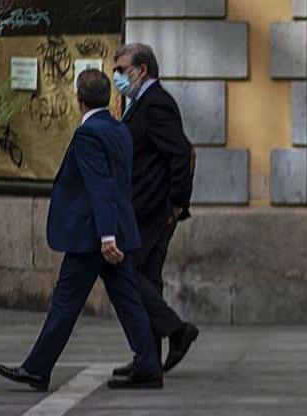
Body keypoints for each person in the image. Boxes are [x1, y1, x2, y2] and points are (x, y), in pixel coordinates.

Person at [0, 69, 164, 391]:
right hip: (115, 231)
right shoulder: (119, 129)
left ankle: (37, 368)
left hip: (93, 238)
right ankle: (148, 364)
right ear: (110, 97)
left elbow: (100, 186)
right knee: (129, 301)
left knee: (66, 302)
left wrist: (106, 237)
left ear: (78, 99)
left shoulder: (89, 134)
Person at [110, 43, 199, 376]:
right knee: (146, 278)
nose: (117, 76)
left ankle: (177, 331)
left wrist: (177, 203)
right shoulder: (140, 103)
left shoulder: (156, 103)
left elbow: (179, 153)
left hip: (151, 209)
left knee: (126, 275)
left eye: (121, 70)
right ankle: (148, 359)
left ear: (141, 69)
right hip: (143, 206)